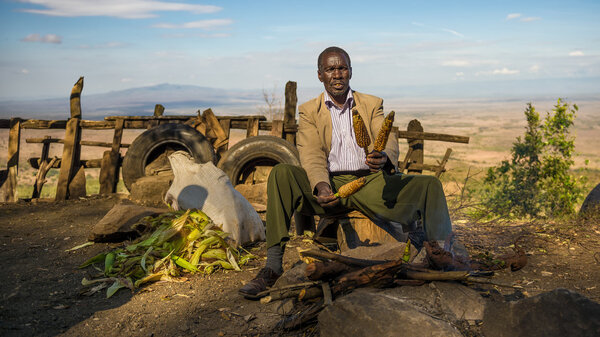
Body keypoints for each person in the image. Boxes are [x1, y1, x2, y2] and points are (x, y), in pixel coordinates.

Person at [239, 46, 452, 299]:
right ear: (320, 75)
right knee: (282, 174)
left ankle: (442, 256)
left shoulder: (372, 104)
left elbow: (388, 138)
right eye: (330, 69)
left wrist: (383, 158)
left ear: (350, 71)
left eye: (342, 68)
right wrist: (320, 185)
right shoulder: (309, 110)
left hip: (370, 181)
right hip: (329, 184)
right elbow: (311, 152)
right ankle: (272, 268)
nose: (337, 74)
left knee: (429, 185)